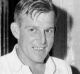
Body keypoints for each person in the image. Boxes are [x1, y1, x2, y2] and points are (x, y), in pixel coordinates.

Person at [0, 0, 72, 74]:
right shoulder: (2, 69)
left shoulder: (63, 68)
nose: (43, 40)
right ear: (16, 31)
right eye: (33, 30)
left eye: (48, 31)